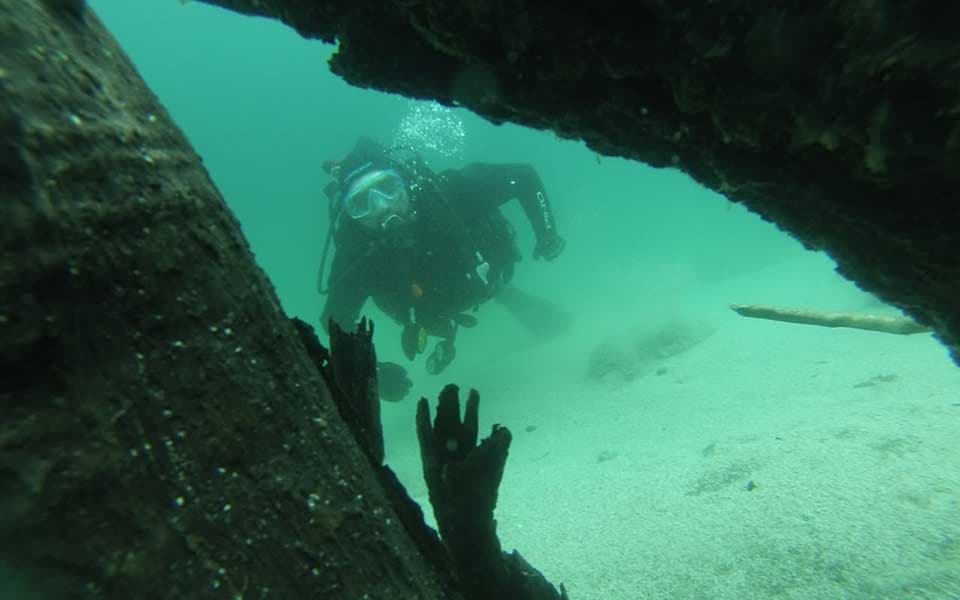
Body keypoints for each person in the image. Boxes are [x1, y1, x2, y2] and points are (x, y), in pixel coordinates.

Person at [316, 136, 565, 398]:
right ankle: (502, 298)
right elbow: (334, 320)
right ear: (351, 215)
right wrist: (370, 372)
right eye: (361, 204)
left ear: (406, 183)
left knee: (496, 286)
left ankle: (505, 293)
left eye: (388, 188)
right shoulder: (356, 252)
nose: (381, 207)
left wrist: (547, 233)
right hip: (432, 311)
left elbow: (524, 176)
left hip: (488, 274)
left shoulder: (450, 191)